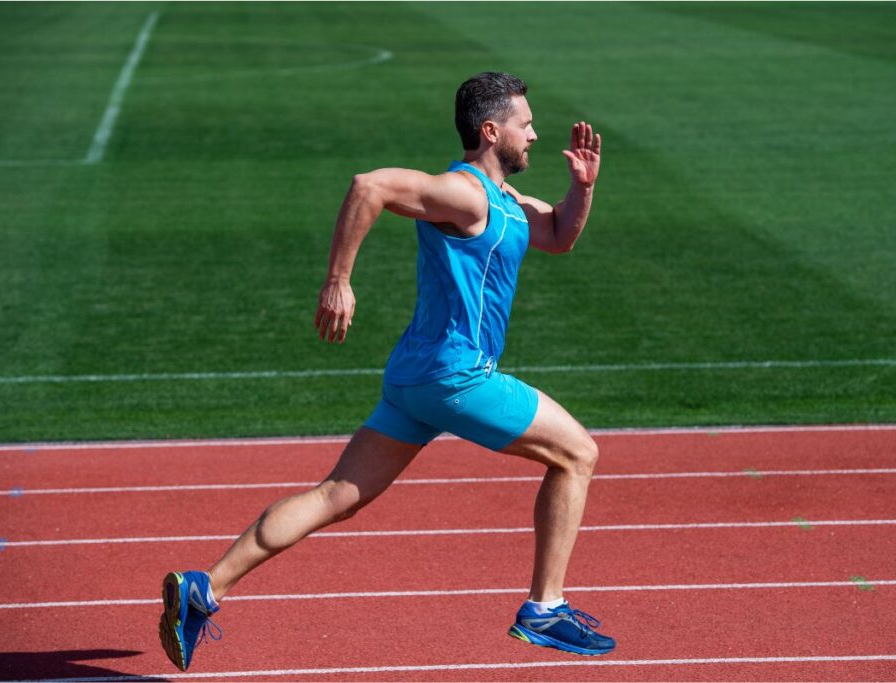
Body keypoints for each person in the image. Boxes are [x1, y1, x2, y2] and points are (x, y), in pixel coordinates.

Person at [158, 71, 613, 671]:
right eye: (525, 125)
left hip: (414, 380)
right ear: (490, 129)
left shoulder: (506, 203)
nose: (534, 135)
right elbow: (368, 185)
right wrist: (338, 281)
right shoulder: (465, 193)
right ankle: (544, 609)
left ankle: (204, 587)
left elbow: (556, 237)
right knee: (578, 454)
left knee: (335, 497)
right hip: (457, 377)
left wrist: (581, 189)